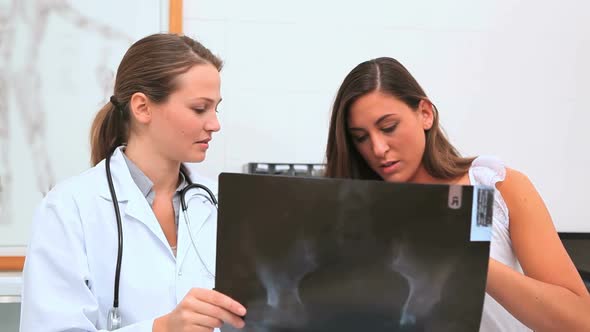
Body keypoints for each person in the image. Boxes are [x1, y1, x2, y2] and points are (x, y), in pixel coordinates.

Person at [324, 57, 590, 331]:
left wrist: (470, 258)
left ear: (425, 113)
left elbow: (580, 321)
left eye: (388, 127)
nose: (378, 148)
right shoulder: (358, 214)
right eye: (361, 137)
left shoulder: (495, 186)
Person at [20, 33, 246, 331]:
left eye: (215, 108)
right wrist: (161, 328)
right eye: (199, 108)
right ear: (142, 108)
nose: (214, 124)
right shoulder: (69, 208)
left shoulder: (221, 202)